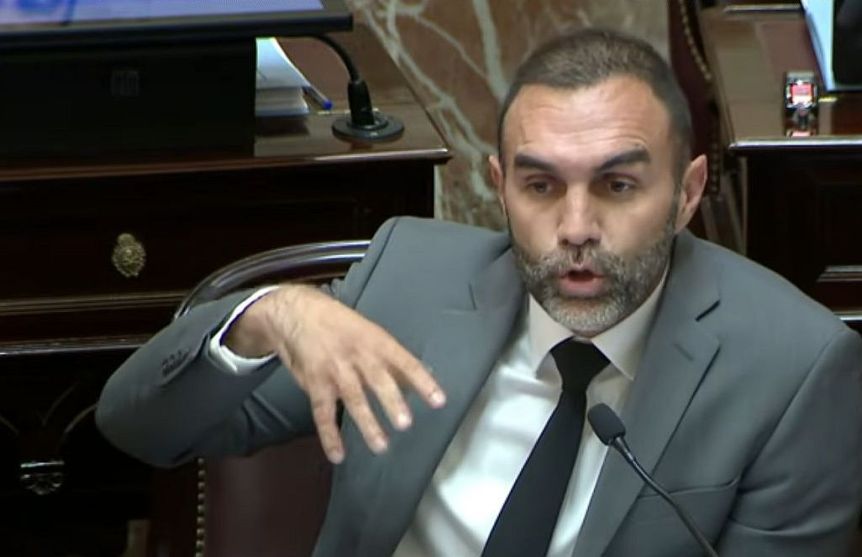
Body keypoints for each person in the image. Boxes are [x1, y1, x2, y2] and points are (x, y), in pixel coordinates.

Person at [96, 28, 862, 557]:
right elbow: (138, 425)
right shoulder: (408, 282)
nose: (576, 227)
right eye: (540, 186)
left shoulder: (793, 369)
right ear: (499, 186)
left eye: (618, 185)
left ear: (688, 192)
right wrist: (267, 316)